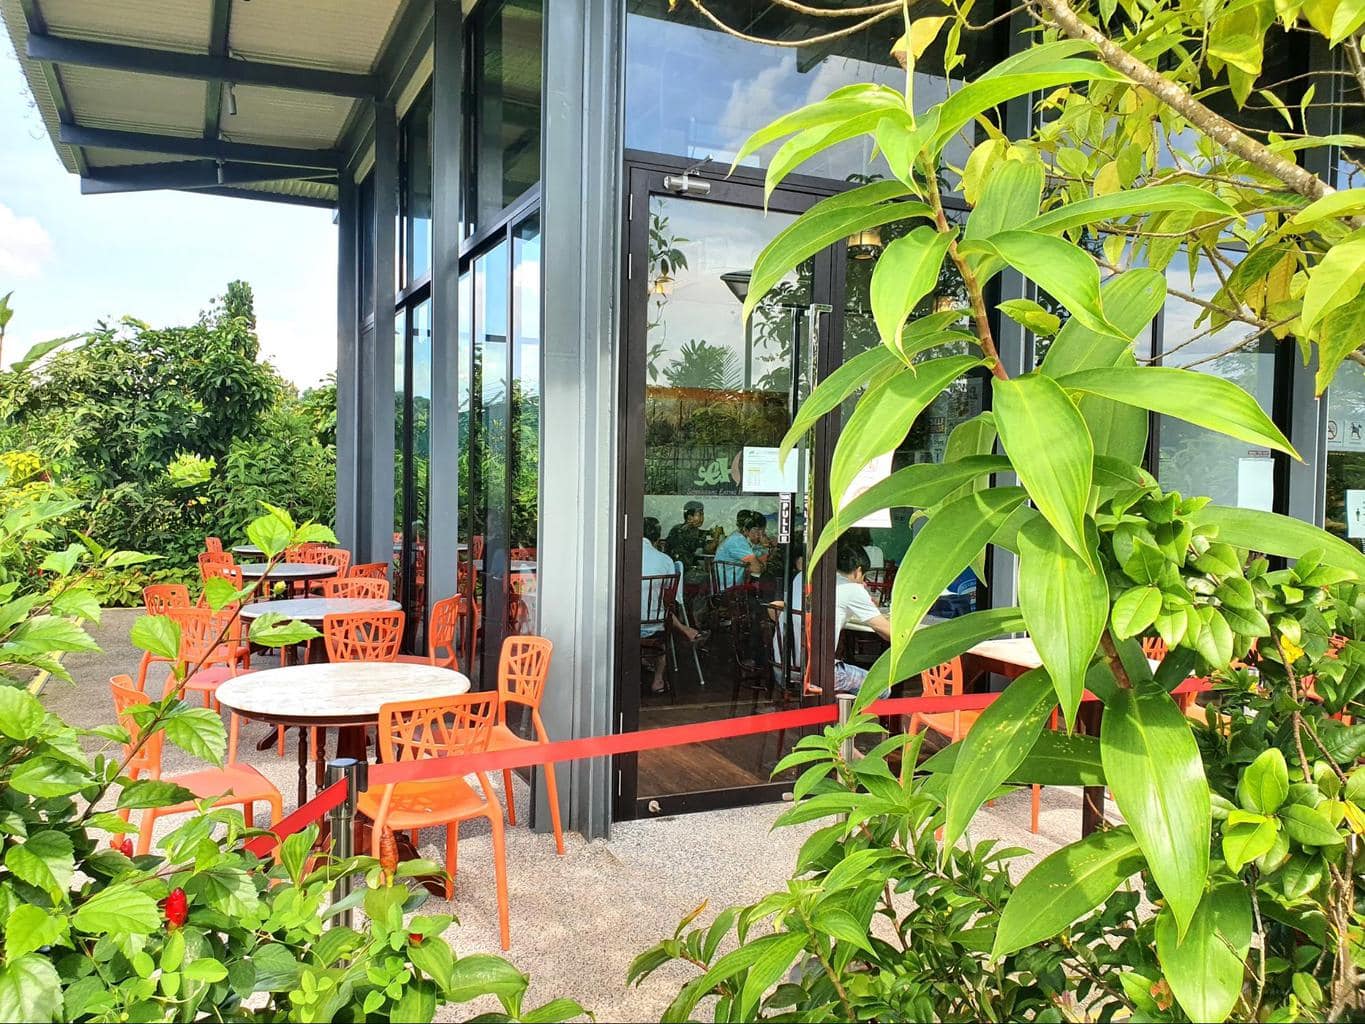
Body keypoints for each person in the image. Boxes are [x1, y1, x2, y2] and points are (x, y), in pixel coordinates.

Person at [641, 517, 705, 693]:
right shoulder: (665, 560)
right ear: (657, 538)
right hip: (655, 623)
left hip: (625, 622)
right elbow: (670, 600)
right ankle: (658, 680)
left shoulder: (621, 555)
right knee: (664, 611)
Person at [714, 510, 769, 588]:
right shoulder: (737, 541)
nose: (759, 535)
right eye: (757, 531)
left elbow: (758, 557)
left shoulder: (739, 537)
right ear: (746, 530)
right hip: (728, 590)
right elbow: (756, 568)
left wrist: (762, 547)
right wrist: (762, 563)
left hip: (734, 586)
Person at [664, 500, 712, 574]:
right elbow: (708, 549)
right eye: (700, 515)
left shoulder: (683, 527)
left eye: (703, 515)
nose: (702, 519)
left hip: (683, 567)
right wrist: (716, 538)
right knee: (708, 577)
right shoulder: (684, 530)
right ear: (690, 517)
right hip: (677, 570)